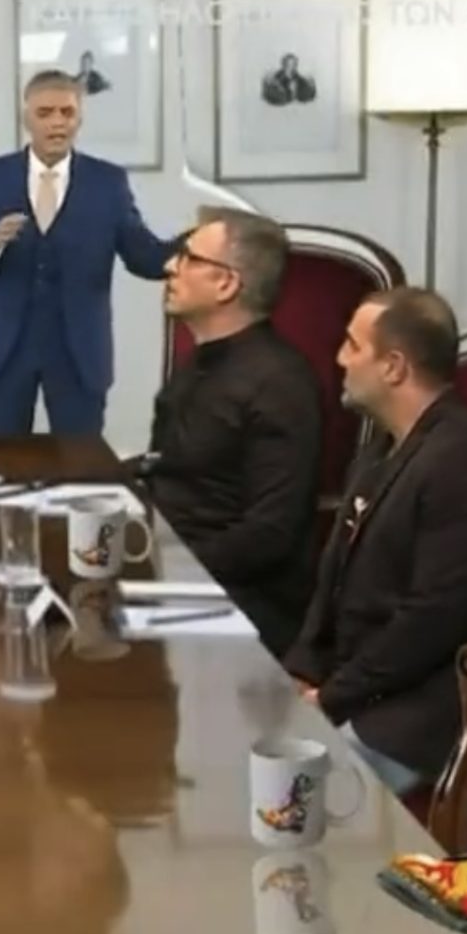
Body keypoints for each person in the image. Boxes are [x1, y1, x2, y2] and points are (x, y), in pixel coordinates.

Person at [282, 288, 467, 795]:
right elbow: (333, 580)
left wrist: (330, 699)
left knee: (289, 795)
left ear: (394, 367)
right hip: (366, 688)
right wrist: (302, 672)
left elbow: (430, 621)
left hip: (429, 714)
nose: (339, 359)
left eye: (353, 346)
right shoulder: (382, 446)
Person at [0, 69, 173, 436]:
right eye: (45, 113)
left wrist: (206, 240)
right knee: (4, 462)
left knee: (80, 462)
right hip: (4, 351)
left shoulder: (107, 183)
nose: (57, 123)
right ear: (27, 119)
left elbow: (145, 257)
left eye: (67, 112)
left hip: (79, 353)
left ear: (80, 118)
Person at [140, 208, 322, 656]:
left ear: (226, 283)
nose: (170, 266)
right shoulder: (201, 362)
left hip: (238, 602)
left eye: (188, 257)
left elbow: (269, 534)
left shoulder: (281, 384)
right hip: (175, 575)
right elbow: (171, 468)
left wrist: (161, 567)